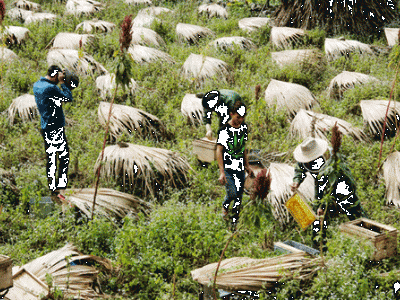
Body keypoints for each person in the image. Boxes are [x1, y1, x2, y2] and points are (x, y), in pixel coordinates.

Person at [291, 137, 366, 250]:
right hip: (321, 187)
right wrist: (296, 181)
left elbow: (333, 185)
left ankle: (370, 238)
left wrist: (323, 206)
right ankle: (318, 249)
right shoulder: (305, 160)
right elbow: (299, 169)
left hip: (341, 185)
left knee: (356, 214)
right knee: (317, 219)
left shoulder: (332, 159)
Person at [33, 65, 73, 194]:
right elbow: (68, 97)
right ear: (56, 75)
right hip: (56, 127)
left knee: (50, 157)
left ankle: (51, 186)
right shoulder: (51, 88)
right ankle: (62, 186)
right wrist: (63, 83)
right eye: (58, 77)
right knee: (64, 156)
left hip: (45, 127)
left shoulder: (37, 85)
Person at [216, 101, 254, 228]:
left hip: (240, 168)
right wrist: (221, 172)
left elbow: (243, 148)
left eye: (242, 117)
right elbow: (219, 150)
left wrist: (247, 166)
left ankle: (234, 224)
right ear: (232, 114)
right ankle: (225, 205)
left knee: (239, 197)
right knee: (231, 193)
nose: (240, 120)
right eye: (238, 117)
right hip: (228, 168)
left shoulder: (244, 127)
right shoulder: (224, 130)